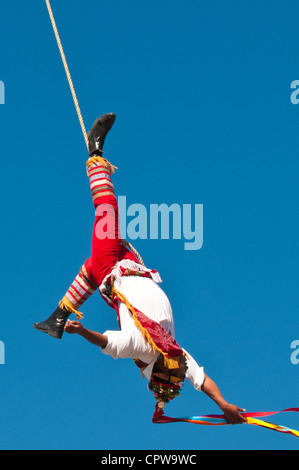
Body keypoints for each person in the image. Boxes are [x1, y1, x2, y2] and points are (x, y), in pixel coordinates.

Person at [33, 113, 246, 425]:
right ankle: (57, 316)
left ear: (157, 371)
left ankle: (94, 153)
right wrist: (224, 404)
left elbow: (110, 343)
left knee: (108, 212)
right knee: (90, 267)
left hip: (114, 270)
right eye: (179, 373)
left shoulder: (144, 347)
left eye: (172, 372)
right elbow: (202, 381)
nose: (179, 368)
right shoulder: (173, 353)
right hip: (127, 263)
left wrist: (82, 332)